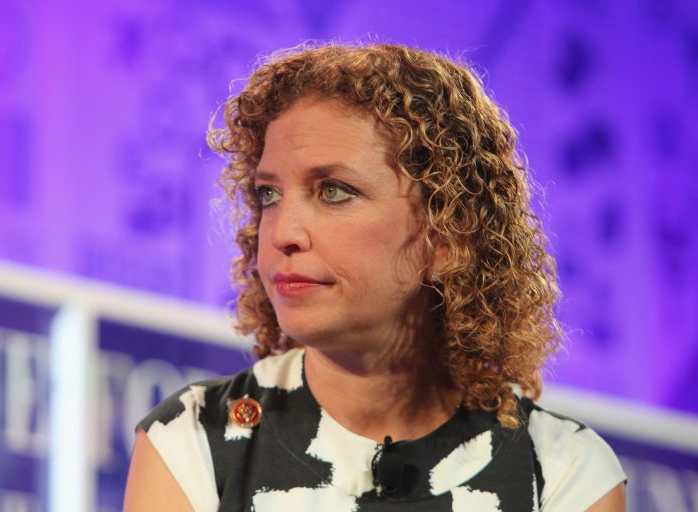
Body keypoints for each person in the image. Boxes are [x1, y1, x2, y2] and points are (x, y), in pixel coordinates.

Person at [124, 43, 626, 512]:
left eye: (333, 191)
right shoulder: (195, 439)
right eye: (268, 195)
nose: (282, 233)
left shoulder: (563, 472)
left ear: (447, 234)